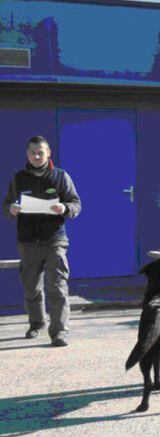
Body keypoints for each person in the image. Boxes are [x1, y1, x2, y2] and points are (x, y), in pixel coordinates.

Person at [2, 136, 81, 347]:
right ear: (27, 154)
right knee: (32, 288)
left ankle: (59, 332)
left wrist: (65, 208)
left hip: (54, 239)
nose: (37, 156)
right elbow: (6, 205)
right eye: (33, 153)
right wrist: (11, 209)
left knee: (57, 285)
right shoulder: (19, 179)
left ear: (48, 153)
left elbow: (76, 203)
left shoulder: (60, 177)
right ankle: (37, 324)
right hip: (27, 241)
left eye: (40, 152)